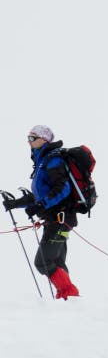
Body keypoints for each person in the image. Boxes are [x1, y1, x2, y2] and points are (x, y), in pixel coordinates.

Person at [2, 125, 80, 300]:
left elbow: (63, 189)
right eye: (28, 138)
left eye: (33, 138)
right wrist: (16, 203)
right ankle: (69, 301)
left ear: (44, 140)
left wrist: (40, 206)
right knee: (56, 262)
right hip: (54, 220)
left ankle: (70, 294)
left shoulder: (53, 159)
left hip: (60, 218)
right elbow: (41, 195)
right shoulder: (42, 161)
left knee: (43, 262)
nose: (28, 141)